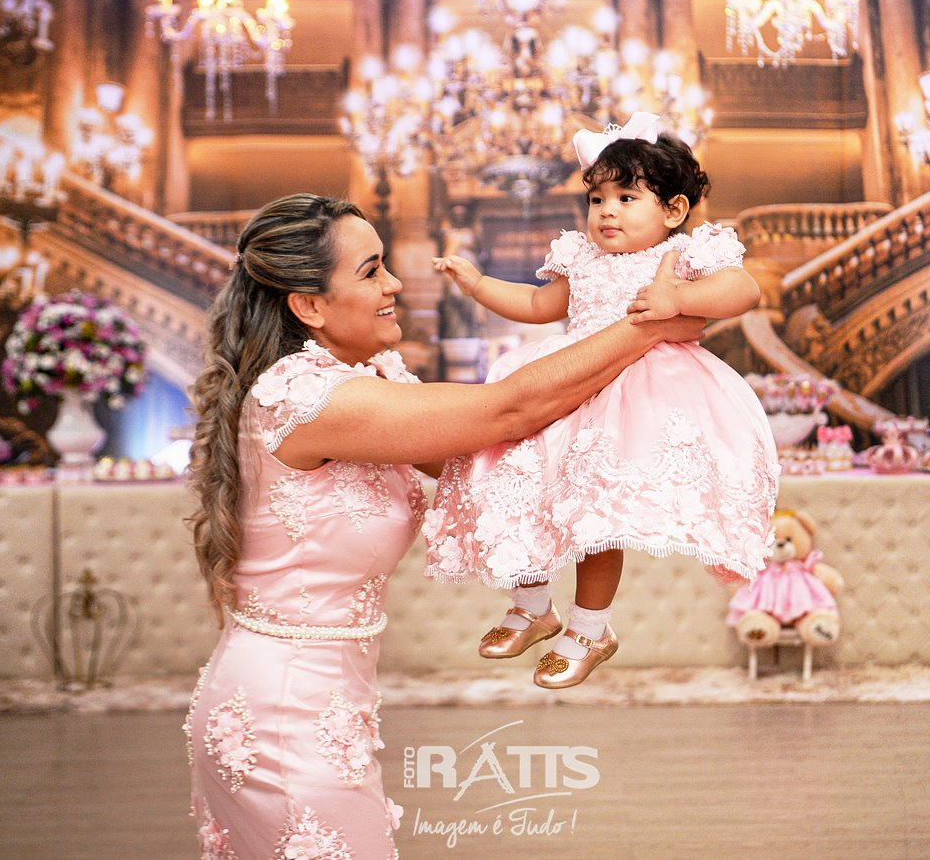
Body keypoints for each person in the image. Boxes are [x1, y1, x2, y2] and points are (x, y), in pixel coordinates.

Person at [185, 192, 710, 858]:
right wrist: (648, 326)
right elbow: (506, 411)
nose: (395, 284)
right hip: (280, 715)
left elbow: (487, 455)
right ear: (309, 306)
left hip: (323, 702)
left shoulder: (359, 381)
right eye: (371, 271)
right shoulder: (308, 398)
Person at [424, 112, 779, 689]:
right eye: (597, 199)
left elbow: (743, 289)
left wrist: (678, 298)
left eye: (626, 197)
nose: (607, 211)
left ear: (673, 210)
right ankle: (533, 606)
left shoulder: (680, 256)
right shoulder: (582, 259)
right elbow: (538, 305)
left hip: (636, 397)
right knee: (517, 476)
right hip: (569, 381)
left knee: (597, 512)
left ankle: (590, 628)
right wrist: (478, 285)